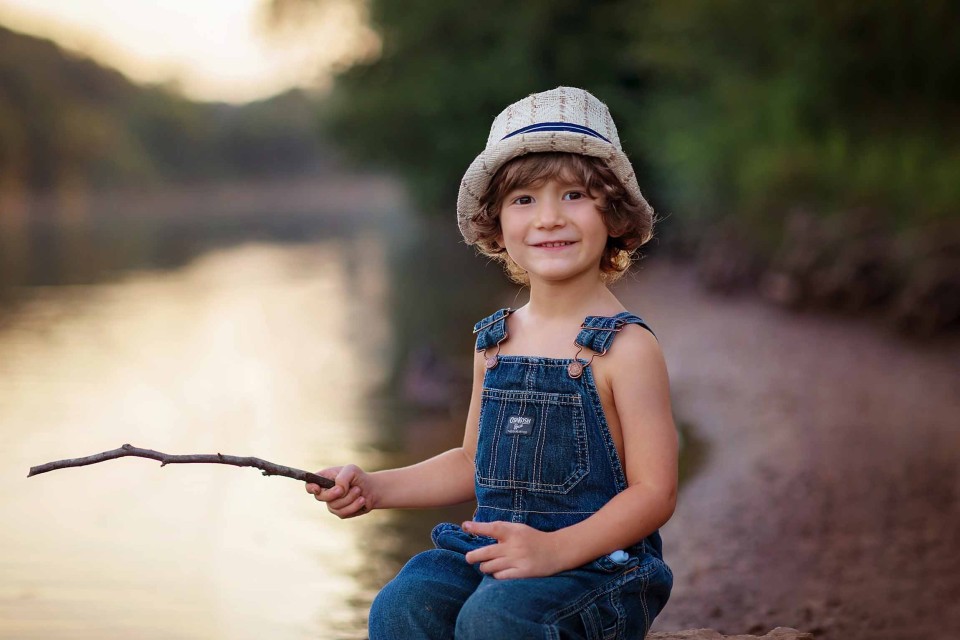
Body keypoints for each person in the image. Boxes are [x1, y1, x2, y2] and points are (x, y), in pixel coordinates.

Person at [306, 86, 678, 639]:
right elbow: (470, 462)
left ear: (614, 215)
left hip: (598, 568)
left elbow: (655, 492)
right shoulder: (495, 341)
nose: (549, 218)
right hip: (491, 552)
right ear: (496, 225)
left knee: (495, 617)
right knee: (403, 603)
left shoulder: (625, 347)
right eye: (524, 200)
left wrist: (555, 550)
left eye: (574, 195)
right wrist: (375, 487)